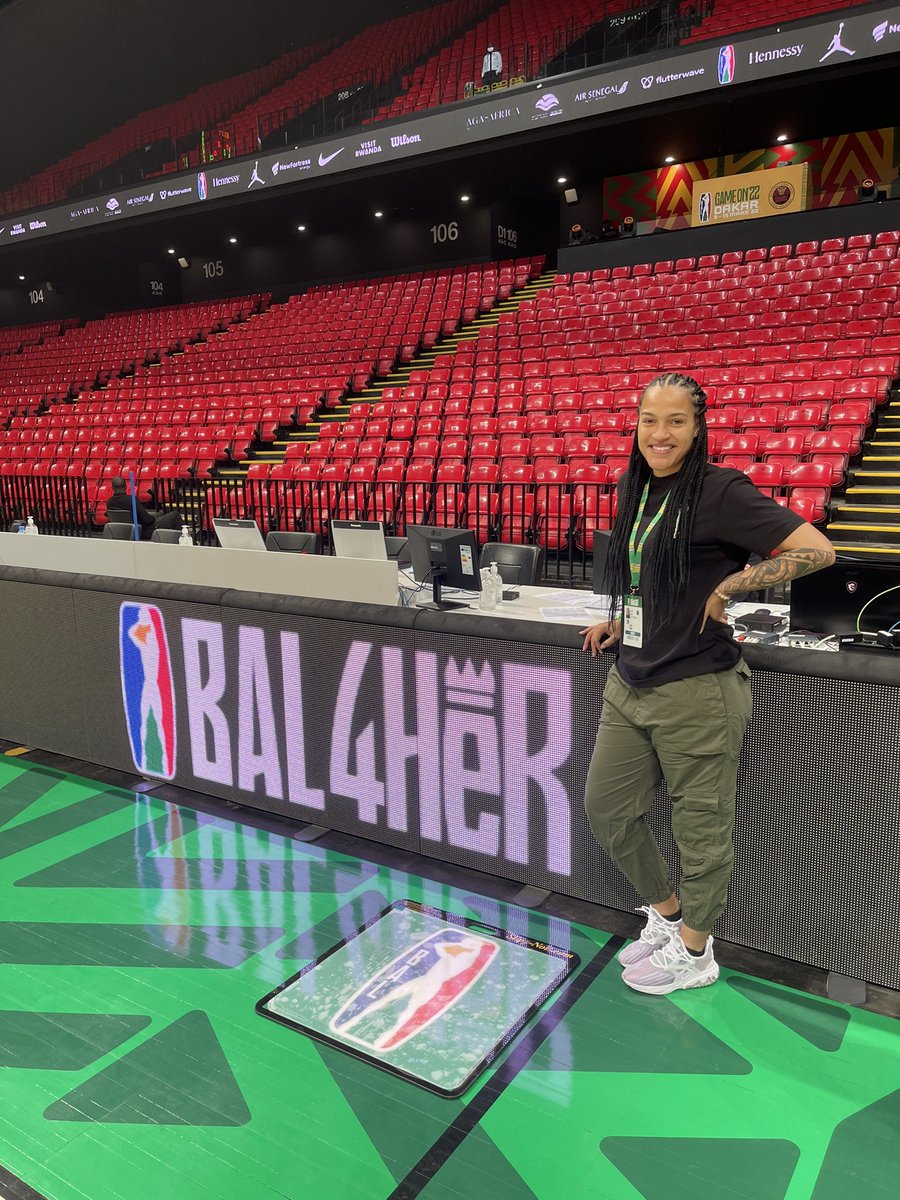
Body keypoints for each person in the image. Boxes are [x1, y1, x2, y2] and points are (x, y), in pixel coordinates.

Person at [580, 373, 835, 996]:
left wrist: (729, 587)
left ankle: (696, 952)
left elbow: (817, 549)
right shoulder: (633, 486)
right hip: (631, 679)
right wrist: (623, 619)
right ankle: (669, 916)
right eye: (649, 420)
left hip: (697, 689)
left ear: (697, 428)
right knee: (608, 810)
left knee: (701, 830)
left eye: (674, 421)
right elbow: (654, 572)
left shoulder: (720, 491)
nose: (659, 434)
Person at [105, 476, 182, 540]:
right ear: (125, 486)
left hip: (124, 532)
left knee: (160, 514)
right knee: (175, 515)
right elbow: (147, 519)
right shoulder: (132, 500)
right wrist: (153, 519)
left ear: (112, 488)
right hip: (144, 531)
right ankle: (181, 540)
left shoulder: (109, 502)